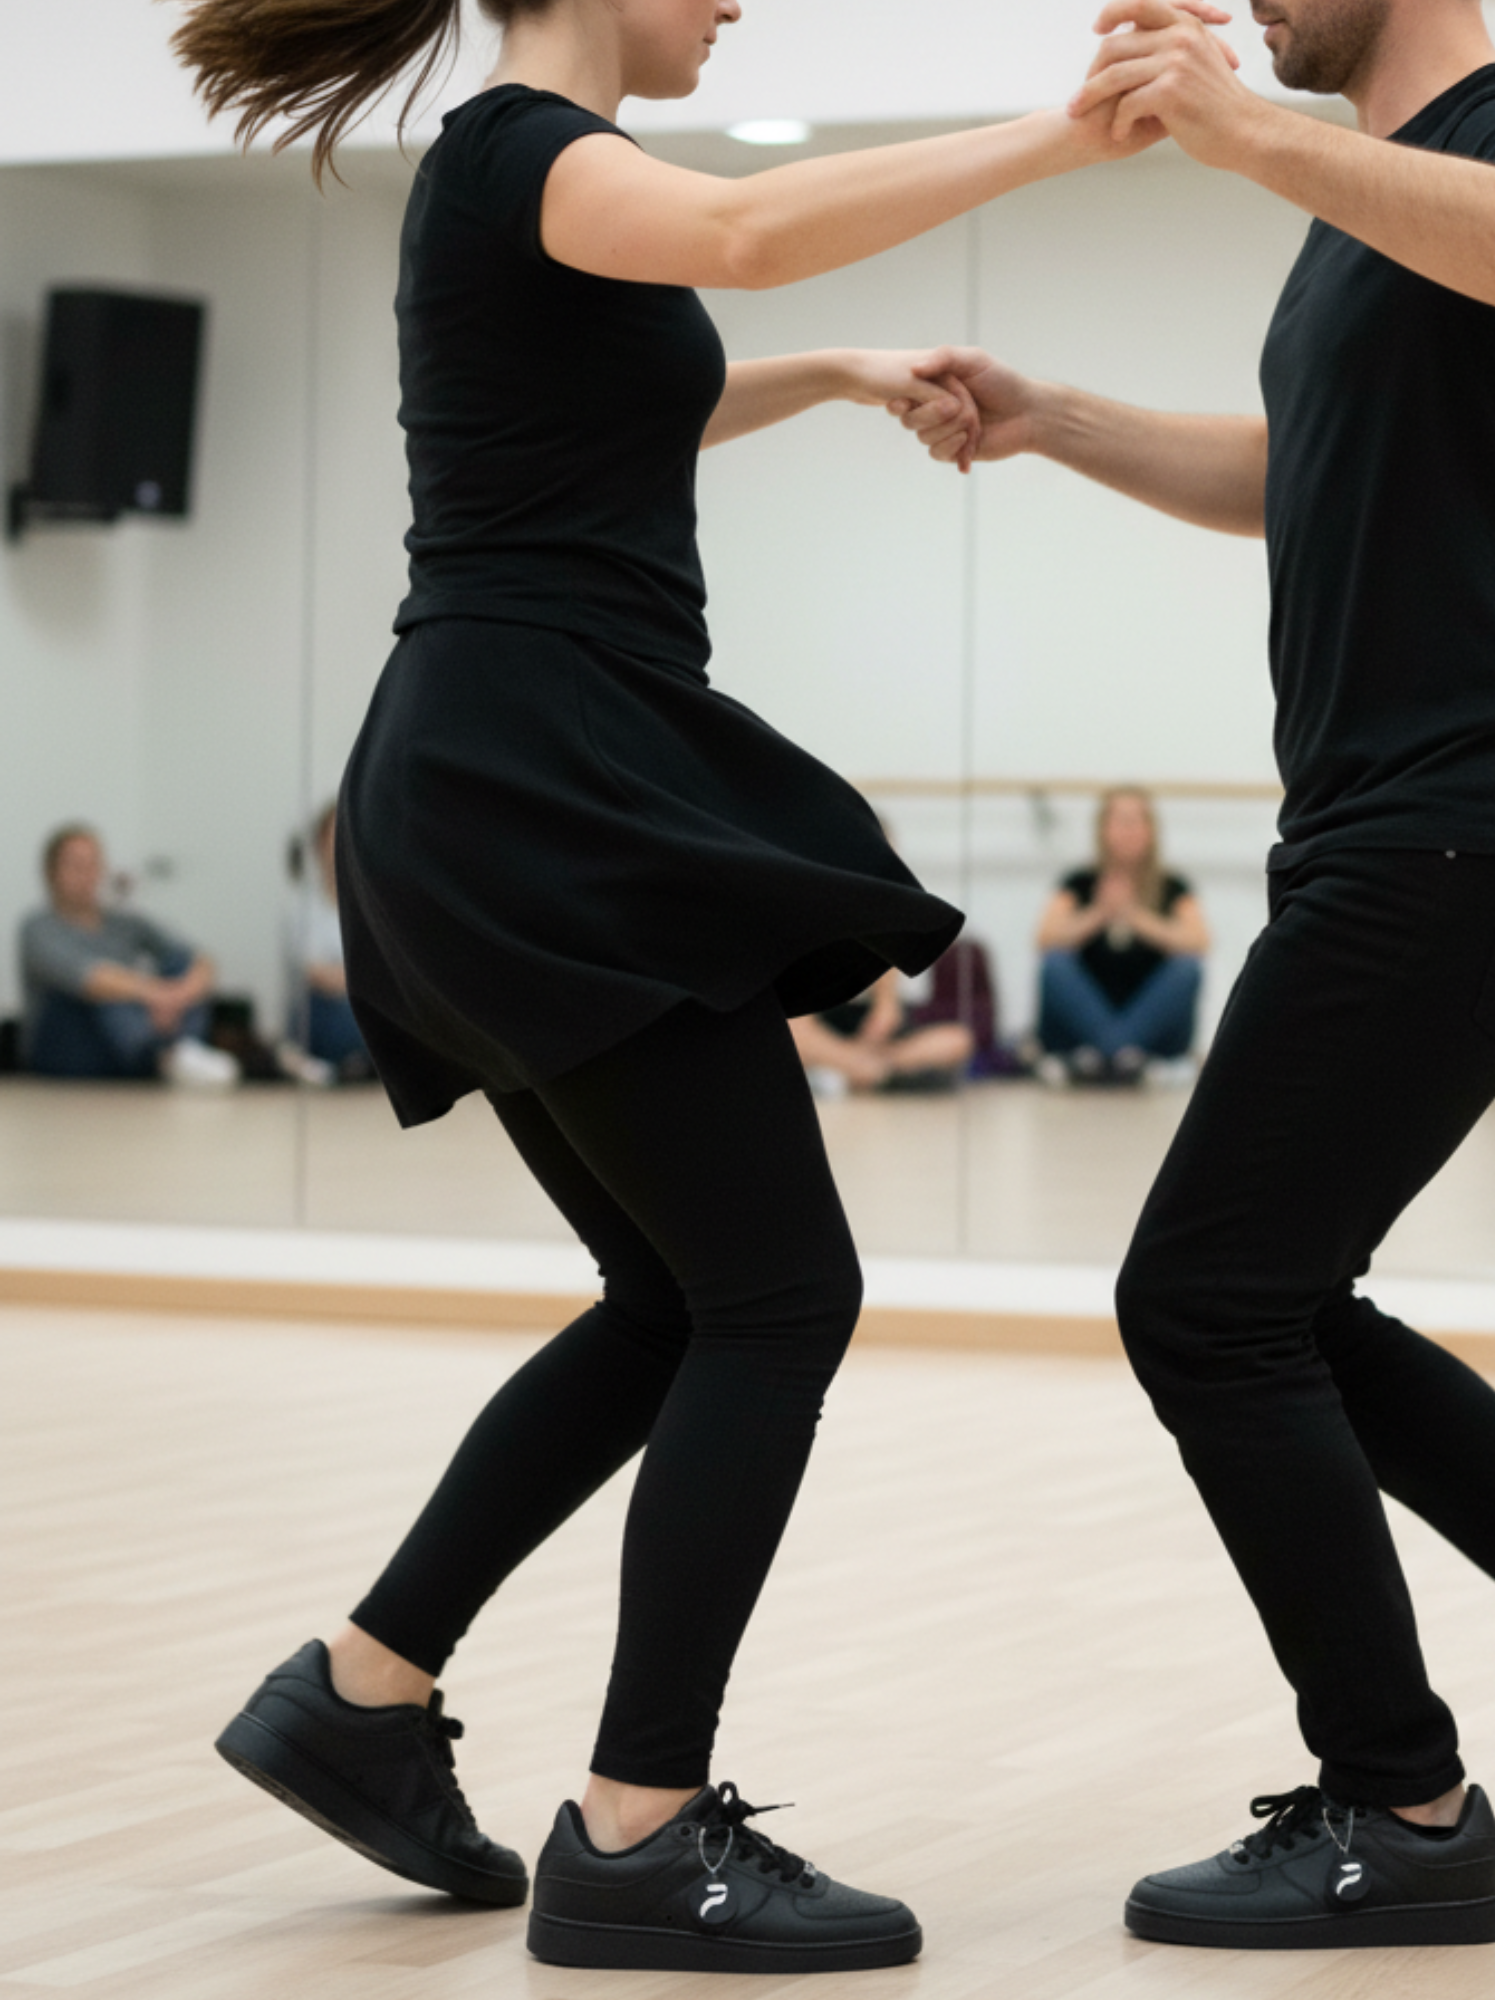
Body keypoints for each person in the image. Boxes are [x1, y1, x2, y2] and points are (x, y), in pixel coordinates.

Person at [174, 0, 1224, 1974]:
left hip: (504, 772)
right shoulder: (523, 154)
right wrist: (1060, 136)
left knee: (680, 1296)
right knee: (777, 1292)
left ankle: (364, 1689)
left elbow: (622, 387)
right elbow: (744, 234)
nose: (734, 0)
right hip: (536, 778)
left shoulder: (526, 186)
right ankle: (640, 1827)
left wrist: (825, 377)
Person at [901, 0, 1495, 1953]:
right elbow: (1291, 470)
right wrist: (1055, 417)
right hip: (1415, 829)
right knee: (1270, 1296)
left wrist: (1235, 133)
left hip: (1476, 821)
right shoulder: (1351, 219)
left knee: (1205, 1302)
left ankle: (1402, 1803)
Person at [17, 824, 240, 1086]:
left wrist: (179, 995)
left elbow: (202, 960)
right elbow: (89, 978)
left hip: (132, 1028)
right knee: (107, 985)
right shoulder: (37, 928)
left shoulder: (124, 922)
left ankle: (181, 1053)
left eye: (92, 864)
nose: (85, 874)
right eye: (75, 865)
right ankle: (162, 1057)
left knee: (179, 963)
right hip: (68, 1041)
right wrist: (154, 994)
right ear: (50, 872)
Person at [1035, 786, 1208, 1082]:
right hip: (1085, 1029)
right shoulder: (1079, 882)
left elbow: (1199, 941)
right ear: (1102, 829)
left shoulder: (1173, 885)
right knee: (1055, 964)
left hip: (1150, 1031)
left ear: (1151, 830)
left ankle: (1107, 1056)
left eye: (1137, 820)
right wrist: (1100, 913)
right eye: (1120, 820)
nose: (1128, 830)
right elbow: (1045, 938)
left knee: (1187, 968)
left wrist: (1134, 915)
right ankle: (1122, 1055)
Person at [287, 802, 374, 1081]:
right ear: (318, 844)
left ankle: (359, 1063)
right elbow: (315, 973)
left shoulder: (373, 905)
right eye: (334, 834)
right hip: (324, 1008)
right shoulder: (301, 907)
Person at [790, 967, 974, 1094]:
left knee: (958, 1040)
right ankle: (861, 1070)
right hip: (824, 1019)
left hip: (877, 1036)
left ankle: (856, 1071)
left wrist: (884, 1007)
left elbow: (887, 1016)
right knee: (791, 1034)